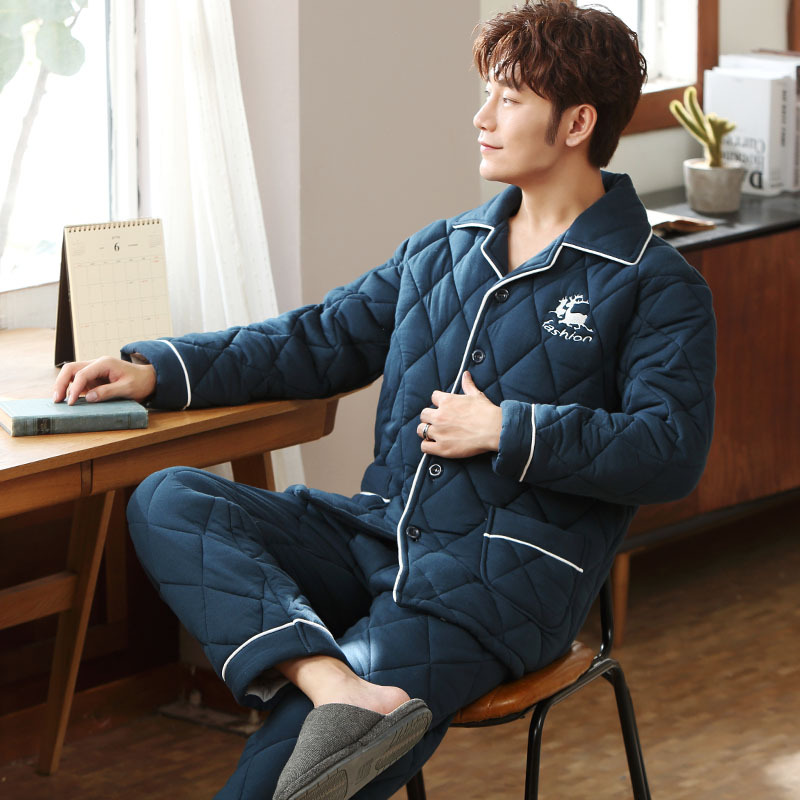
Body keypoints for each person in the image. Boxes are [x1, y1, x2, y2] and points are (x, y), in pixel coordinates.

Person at [53, 2, 716, 798]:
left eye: (509, 99)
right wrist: (157, 370)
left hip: (496, 585)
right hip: (377, 535)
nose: (482, 117)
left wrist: (506, 429)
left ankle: (344, 701)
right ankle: (336, 683)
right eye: (487, 93)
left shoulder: (654, 283)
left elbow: (670, 449)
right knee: (169, 499)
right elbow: (317, 339)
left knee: (299, 765)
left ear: (577, 123)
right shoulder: (441, 250)